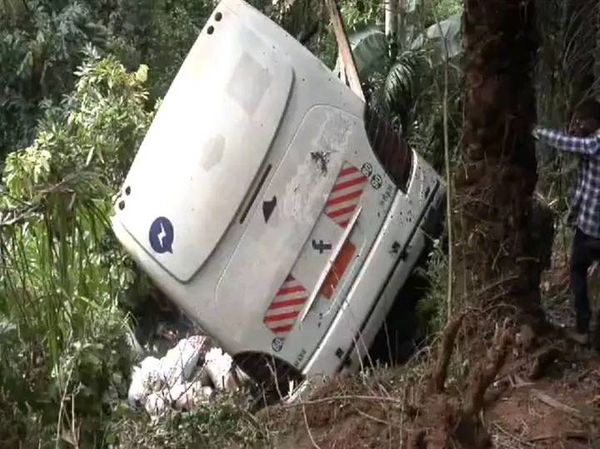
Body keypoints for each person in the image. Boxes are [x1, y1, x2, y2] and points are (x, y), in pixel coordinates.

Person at [533, 97, 600, 347]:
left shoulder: (595, 143)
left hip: (592, 229)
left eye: (583, 121)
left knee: (577, 270)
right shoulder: (592, 143)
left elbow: (567, 143)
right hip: (588, 224)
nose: (579, 125)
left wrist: (537, 131)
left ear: (594, 122)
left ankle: (584, 329)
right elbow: (587, 186)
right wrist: (574, 212)